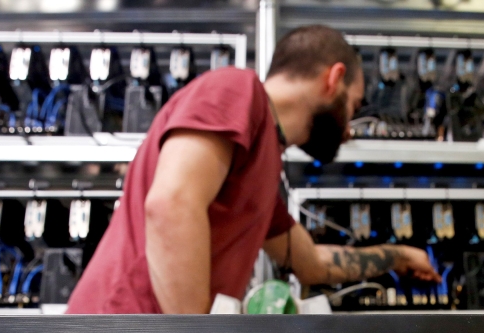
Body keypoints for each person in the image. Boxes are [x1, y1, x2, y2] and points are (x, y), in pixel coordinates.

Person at [67, 25, 439, 314]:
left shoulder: (262, 162)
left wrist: (401, 255)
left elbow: (310, 264)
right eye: (353, 107)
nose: (346, 131)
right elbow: (171, 205)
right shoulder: (236, 89)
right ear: (333, 79)